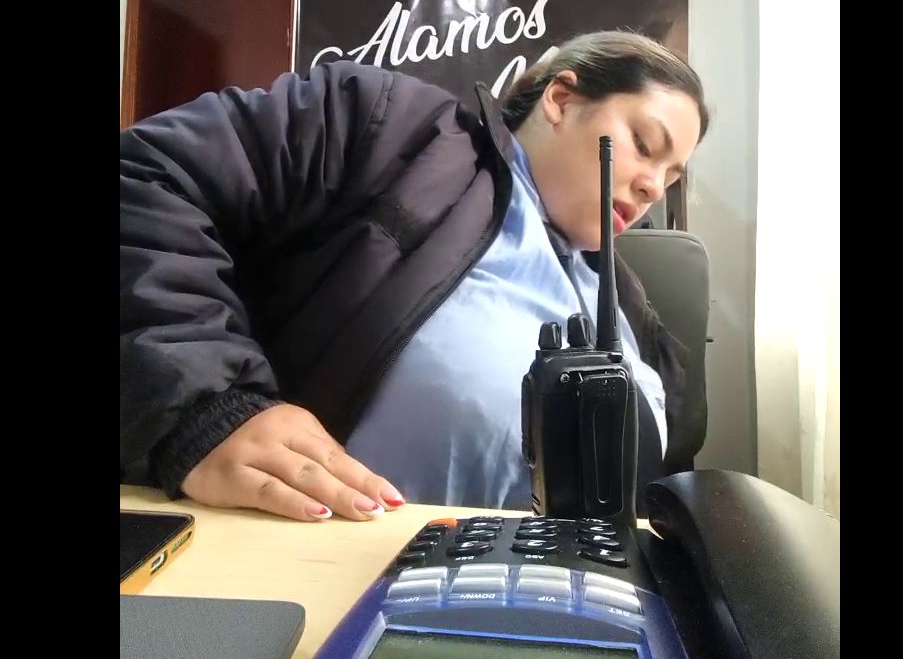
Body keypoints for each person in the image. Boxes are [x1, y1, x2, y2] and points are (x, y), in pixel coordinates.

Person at [120, 31, 709, 523]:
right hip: (338, 576)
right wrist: (205, 409)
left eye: (671, 175)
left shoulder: (629, 300)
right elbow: (148, 173)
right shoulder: (388, 129)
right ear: (560, 99)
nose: (652, 186)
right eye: (643, 145)